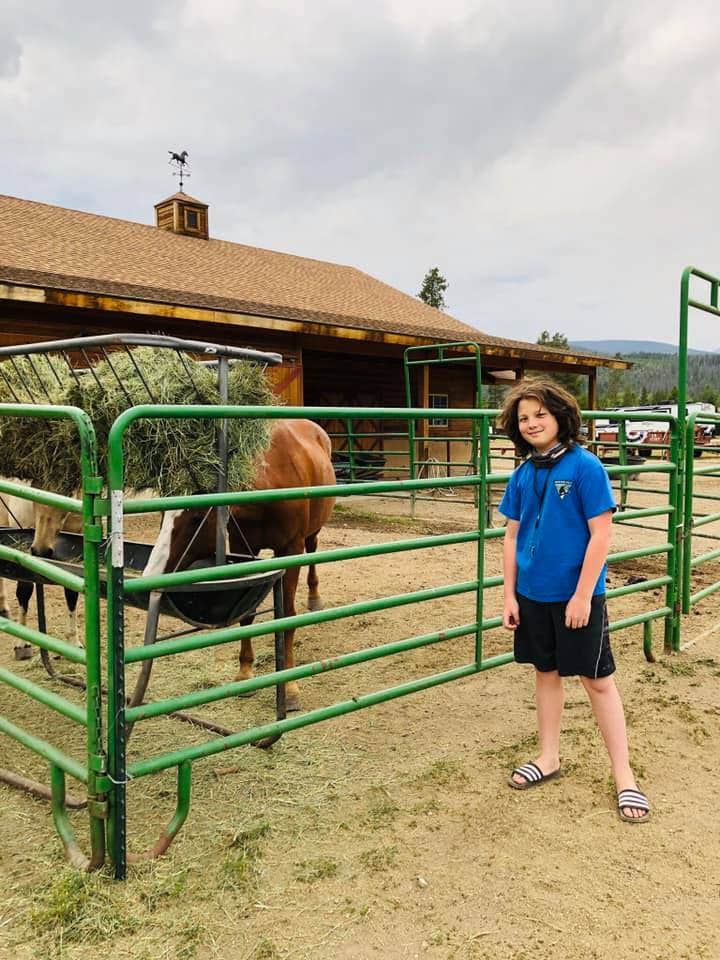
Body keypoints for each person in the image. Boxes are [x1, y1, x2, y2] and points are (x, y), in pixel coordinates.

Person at [498, 378, 650, 823]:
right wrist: (509, 594)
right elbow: (510, 536)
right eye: (523, 418)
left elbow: (601, 533)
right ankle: (549, 757)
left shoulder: (586, 468)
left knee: (597, 680)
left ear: (561, 417)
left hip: (578, 598)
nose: (531, 423)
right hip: (532, 596)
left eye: (540, 414)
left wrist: (583, 595)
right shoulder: (523, 474)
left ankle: (625, 776)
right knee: (546, 673)